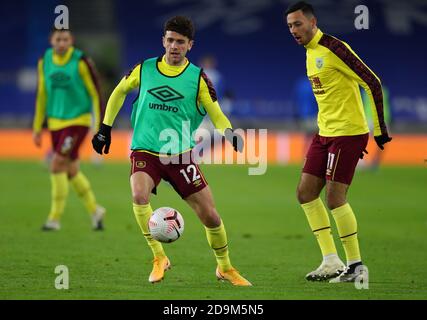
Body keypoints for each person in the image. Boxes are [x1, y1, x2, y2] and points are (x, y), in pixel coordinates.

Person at [92, 16, 251, 286]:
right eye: (170, 40)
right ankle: (159, 257)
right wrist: (104, 128)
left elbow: (217, 113)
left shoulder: (198, 78)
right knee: (138, 194)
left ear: (190, 45)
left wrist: (230, 133)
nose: (174, 46)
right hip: (145, 150)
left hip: (179, 155)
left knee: (210, 215)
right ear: (163, 41)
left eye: (180, 41)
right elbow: (118, 92)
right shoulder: (145, 69)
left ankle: (225, 267)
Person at [285, 2, 392, 283]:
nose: (293, 30)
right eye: (289, 26)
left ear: (312, 22)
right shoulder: (310, 54)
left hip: (348, 132)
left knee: (334, 197)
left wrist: (379, 129)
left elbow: (373, 82)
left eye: (297, 24)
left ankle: (355, 265)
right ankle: (331, 260)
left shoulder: (335, 48)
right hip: (324, 132)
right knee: (305, 192)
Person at [32, 28, 105, 231]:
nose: (62, 43)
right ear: (51, 41)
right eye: (58, 39)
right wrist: (37, 126)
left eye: (65, 39)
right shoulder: (44, 62)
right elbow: (42, 95)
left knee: (56, 165)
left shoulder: (81, 62)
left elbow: (95, 92)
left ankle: (54, 219)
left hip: (77, 122)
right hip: (55, 124)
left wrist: (99, 126)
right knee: (71, 170)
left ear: (71, 40)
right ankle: (95, 211)